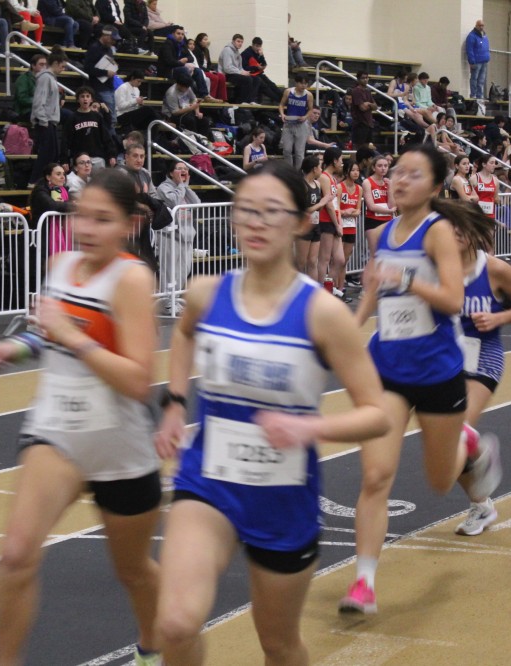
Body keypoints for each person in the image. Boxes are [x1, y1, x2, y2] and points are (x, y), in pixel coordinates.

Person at [153, 159, 389, 664]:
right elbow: (185, 334)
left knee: (278, 645)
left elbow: (377, 414)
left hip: (282, 497)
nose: (256, 223)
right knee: (174, 624)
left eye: (271, 211)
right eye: (246, 211)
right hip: (209, 479)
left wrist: (309, 426)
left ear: (301, 222)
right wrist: (174, 403)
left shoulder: (322, 313)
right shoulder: (207, 292)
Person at [0, 168, 162, 666]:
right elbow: (49, 335)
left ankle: (153, 648)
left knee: (133, 571)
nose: (86, 228)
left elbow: (138, 381)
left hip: (118, 446)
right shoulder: (59, 264)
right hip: (56, 431)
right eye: (81, 215)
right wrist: (16, 347)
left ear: (128, 224)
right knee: (16, 555)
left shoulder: (132, 279)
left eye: (103, 219)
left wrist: (71, 335)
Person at [344, 144, 502, 614]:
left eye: (413, 174)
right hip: (387, 367)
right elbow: (371, 295)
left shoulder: (438, 233)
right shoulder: (381, 234)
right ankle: (363, 583)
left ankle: (471, 449)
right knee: (376, 475)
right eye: (397, 171)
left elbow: (453, 300)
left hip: (436, 370)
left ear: (434, 186)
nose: (400, 179)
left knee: (439, 480)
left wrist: (407, 280)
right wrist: (345, 335)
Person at [453, 201, 511, 536]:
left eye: (461, 227)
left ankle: (481, 450)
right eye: (448, 227)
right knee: (446, 446)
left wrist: (498, 317)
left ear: (475, 231)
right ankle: (481, 505)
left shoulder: (494, 269)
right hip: (445, 360)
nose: (454, 233)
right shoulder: (435, 269)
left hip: (483, 358)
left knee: (458, 430)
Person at [153, 161, 200, 296]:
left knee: (184, 270)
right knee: (169, 271)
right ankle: (167, 301)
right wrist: (181, 186)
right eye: (179, 169)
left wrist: (185, 186)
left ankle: (175, 298)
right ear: (170, 173)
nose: (183, 171)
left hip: (186, 235)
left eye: (185, 169)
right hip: (170, 235)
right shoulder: (163, 187)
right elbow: (174, 201)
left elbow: (197, 203)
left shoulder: (183, 187)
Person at [30, 49, 67, 182]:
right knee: (46, 154)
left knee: (52, 154)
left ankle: (45, 180)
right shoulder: (45, 78)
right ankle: (35, 181)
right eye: (62, 66)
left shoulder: (50, 78)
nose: (63, 69)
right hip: (45, 121)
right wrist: (43, 121)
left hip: (49, 121)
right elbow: (39, 101)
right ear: (55, 63)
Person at [65, 86, 119, 170]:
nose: (85, 99)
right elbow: (65, 141)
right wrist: (64, 160)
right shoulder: (72, 118)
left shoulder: (97, 117)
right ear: (78, 99)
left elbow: (107, 138)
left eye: (87, 96)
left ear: (91, 99)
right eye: (82, 96)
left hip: (97, 157)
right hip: (79, 158)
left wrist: (112, 155)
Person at [295, 154, 328, 282]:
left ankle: (313, 290)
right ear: (314, 169)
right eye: (320, 167)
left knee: (313, 261)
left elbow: (318, 208)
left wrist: (324, 203)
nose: (321, 169)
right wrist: (321, 203)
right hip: (304, 225)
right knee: (301, 263)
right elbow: (303, 210)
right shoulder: (302, 185)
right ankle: (296, 289)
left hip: (315, 224)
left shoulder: (317, 184)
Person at [316, 146, 344, 295]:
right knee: (324, 259)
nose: (342, 163)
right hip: (326, 221)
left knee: (339, 259)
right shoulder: (324, 177)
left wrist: (339, 222)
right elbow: (328, 204)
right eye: (340, 160)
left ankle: (329, 286)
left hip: (334, 221)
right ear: (334, 161)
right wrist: (336, 224)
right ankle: (321, 290)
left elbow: (336, 203)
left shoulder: (332, 178)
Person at [30, 163, 72, 257]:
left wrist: (68, 204)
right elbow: (53, 206)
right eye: (58, 174)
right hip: (43, 234)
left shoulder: (64, 190)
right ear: (48, 177)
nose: (63, 177)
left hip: (60, 231)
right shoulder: (40, 191)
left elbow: (68, 204)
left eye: (63, 174)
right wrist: (71, 205)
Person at [362, 154, 395, 272]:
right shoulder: (368, 182)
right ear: (373, 167)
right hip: (373, 221)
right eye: (380, 166)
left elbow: (392, 205)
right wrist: (389, 211)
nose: (383, 168)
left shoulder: (388, 183)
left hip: (387, 221)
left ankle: (384, 279)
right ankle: (370, 281)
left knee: (387, 254)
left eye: (385, 166)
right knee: (375, 254)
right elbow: (371, 206)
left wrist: (390, 188)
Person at [337, 158, 362, 299]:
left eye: (357, 170)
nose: (356, 173)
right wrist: (344, 212)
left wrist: (352, 212)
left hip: (351, 226)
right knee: (338, 260)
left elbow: (358, 210)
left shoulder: (359, 189)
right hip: (340, 227)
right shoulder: (340, 187)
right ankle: (335, 287)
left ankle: (341, 288)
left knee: (345, 260)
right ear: (347, 171)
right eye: (353, 170)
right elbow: (335, 209)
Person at [161, 74, 211, 141]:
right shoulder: (171, 93)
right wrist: (191, 108)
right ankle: (194, 141)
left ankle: (203, 140)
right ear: (179, 85)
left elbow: (194, 100)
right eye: (185, 87)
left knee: (204, 121)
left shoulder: (187, 87)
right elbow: (175, 112)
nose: (187, 89)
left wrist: (197, 112)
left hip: (187, 112)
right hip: (172, 116)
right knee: (190, 121)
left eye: (188, 87)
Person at [279, 74, 313, 170]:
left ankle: (298, 173)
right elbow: (281, 105)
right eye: (301, 83)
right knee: (287, 150)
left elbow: (310, 109)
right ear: (296, 83)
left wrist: (305, 117)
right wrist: (282, 114)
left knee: (299, 152)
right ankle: (289, 171)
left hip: (301, 125)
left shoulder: (309, 95)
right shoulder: (288, 92)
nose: (303, 86)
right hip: (289, 123)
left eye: (306, 83)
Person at [217, 34, 259, 105]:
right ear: (233, 41)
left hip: (235, 73)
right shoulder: (227, 50)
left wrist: (245, 72)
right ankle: (241, 101)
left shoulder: (237, 52)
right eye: (238, 41)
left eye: (241, 42)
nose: (240, 43)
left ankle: (251, 100)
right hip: (226, 75)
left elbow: (240, 67)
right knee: (247, 79)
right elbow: (227, 68)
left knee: (256, 79)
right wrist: (241, 72)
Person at [115, 69, 159, 134]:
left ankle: (152, 138)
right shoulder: (123, 88)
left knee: (151, 119)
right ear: (132, 78)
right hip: (121, 115)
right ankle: (159, 119)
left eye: (141, 82)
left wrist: (140, 104)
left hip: (132, 114)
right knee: (148, 109)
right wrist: (135, 101)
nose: (139, 84)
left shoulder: (137, 90)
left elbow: (135, 106)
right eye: (138, 81)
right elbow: (120, 106)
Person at [241, 37, 282, 103]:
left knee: (272, 84)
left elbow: (264, 63)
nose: (258, 48)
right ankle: (281, 101)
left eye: (259, 46)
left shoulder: (258, 53)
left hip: (259, 73)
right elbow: (244, 68)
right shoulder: (246, 53)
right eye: (256, 46)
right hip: (252, 75)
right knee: (266, 87)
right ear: (252, 45)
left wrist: (262, 56)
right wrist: (256, 67)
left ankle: (283, 98)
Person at [192, 33, 227, 103]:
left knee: (221, 76)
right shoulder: (196, 49)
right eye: (205, 39)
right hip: (201, 70)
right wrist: (208, 70)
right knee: (214, 78)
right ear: (199, 41)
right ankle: (211, 97)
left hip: (207, 70)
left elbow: (209, 63)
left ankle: (222, 98)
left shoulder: (206, 50)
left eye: (207, 39)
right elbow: (198, 65)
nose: (207, 41)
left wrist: (211, 69)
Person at [350, 71, 377, 152]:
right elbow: (362, 108)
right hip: (359, 124)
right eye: (363, 78)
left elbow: (375, 107)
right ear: (358, 79)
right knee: (357, 149)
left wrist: (368, 103)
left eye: (367, 78)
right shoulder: (356, 91)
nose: (365, 80)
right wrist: (370, 105)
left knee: (367, 148)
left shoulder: (368, 91)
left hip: (368, 124)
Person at [465, 18, 489, 100]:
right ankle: (473, 95)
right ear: (476, 26)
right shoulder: (472, 36)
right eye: (480, 25)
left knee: (481, 80)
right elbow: (469, 49)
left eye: (482, 25)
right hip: (476, 61)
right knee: (474, 79)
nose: (481, 27)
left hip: (484, 61)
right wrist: (471, 61)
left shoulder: (484, 35)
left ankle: (479, 96)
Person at [471, 154, 500, 221]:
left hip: (490, 216)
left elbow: (496, 198)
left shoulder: (495, 180)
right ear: (484, 164)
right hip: (477, 216)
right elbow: (469, 198)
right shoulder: (474, 178)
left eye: (495, 163)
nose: (494, 165)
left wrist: (498, 200)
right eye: (491, 163)